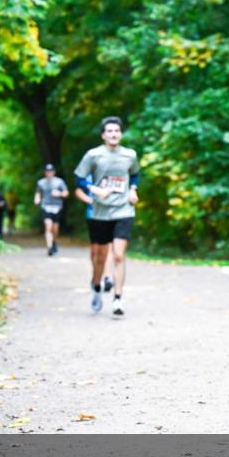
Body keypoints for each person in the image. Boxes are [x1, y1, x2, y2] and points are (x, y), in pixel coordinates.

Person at [74, 116, 140, 315]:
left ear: (121, 134)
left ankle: (118, 299)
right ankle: (96, 286)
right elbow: (78, 179)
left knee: (119, 256)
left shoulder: (130, 155)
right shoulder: (93, 155)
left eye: (117, 131)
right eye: (109, 131)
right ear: (103, 135)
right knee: (100, 258)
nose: (113, 134)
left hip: (123, 210)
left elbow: (135, 174)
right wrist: (94, 189)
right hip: (100, 213)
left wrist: (133, 189)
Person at [74, 174, 116, 292]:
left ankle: (107, 277)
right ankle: (97, 275)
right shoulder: (88, 175)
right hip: (93, 215)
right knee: (95, 250)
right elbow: (78, 191)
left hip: (111, 214)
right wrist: (90, 200)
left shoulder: (113, 171)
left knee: (109, 245)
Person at [34, 163, 69, 256]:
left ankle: (54, 242)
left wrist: (60, 194)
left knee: (55, 229)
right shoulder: (40, 182)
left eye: (50, 171)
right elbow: (38, 193)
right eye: (47, 171)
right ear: (45, 172)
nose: (49, 173)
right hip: (46, 206)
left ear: (54, 172)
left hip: (57, 207)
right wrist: (37, 199)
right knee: (48, 226)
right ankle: (49, 247)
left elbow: (66, 193)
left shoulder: (59, 182)